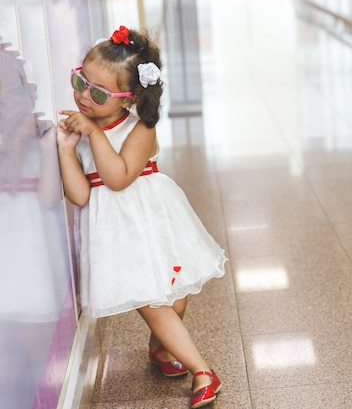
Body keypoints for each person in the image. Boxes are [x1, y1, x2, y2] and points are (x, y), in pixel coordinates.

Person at [56, 25, 226, 408]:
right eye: (80, 82)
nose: (83, 96)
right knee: (154, 303)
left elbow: (117, 177)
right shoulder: (81, 131)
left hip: (153, 221)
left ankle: (162, 351)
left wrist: (93, 136)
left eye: (97, 93)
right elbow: (82, 194)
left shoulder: (140, 129)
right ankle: (203, 371)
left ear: (128, 98)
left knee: (173, 301)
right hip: (118, 233)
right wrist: (68, 150)